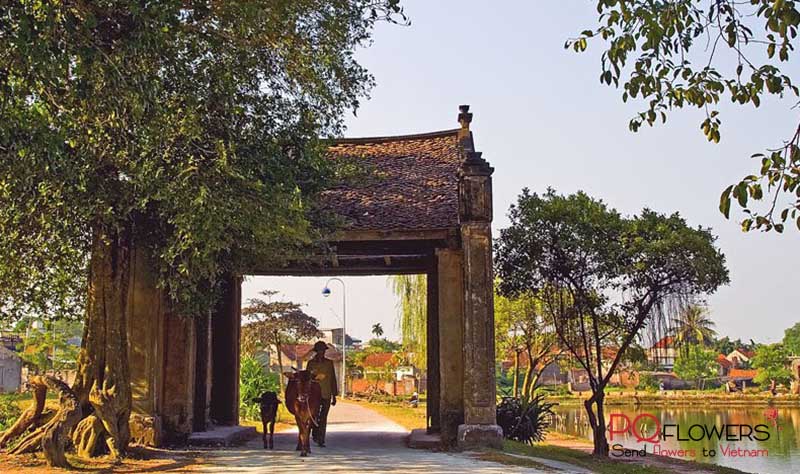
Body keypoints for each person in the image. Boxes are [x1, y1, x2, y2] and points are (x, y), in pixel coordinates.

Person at [305, 340, 338, 447]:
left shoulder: (329, 363)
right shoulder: (311, 363)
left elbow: (332, 379)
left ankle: (321, 439)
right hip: (313, 394)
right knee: (314, 416)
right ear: (316, 352)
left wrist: (334, 395)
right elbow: (306, 379)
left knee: (323, 417)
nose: (321, 353)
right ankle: (315, 433)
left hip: (326, 393)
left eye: (323, 351)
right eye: (319, 351)